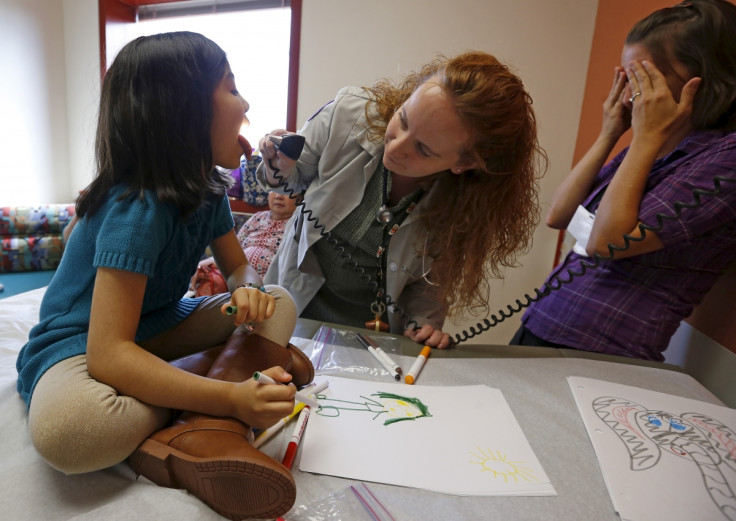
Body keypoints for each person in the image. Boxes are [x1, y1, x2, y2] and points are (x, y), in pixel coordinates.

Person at [15, 32, 313, 520]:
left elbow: (237, 264)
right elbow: (108, 353)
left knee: (277, 301)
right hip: (81, 346)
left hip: (158, 325)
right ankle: (208, 401)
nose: (246, 104)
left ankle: (191, 401)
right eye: (232, 88)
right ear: (184, 112)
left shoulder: (209, 189)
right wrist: (231, 398)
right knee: (70, 436)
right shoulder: (138, 208)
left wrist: (246, 290)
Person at [257, 51, 545, 349]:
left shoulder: (463, 207)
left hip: (371, 345)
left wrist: (425, 327)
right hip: (292, 312)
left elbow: (428, 291)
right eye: (403, 120)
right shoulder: (349, 113)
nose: (395, 148)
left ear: (464, 164)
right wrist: (278, 163)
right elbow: (289, 178)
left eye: (424, 149)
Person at [511, 0, 736, 362]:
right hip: (544, 322)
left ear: (704, 78)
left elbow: (606, 243)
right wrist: (610, 134)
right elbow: (560, 216)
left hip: (603, 351)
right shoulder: (654, 148)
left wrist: (645, 138)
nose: (633, 94)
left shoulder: (724, 159)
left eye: (643, 79)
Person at [191, 190, 299, 295]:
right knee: (206, 277)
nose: (279, 196)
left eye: (287, 192)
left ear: (301, 197)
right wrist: (200, 266)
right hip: (234, 276)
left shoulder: (298, 226)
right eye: (274, 190)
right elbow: (230, 252)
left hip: (270, 285)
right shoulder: (257, 218)